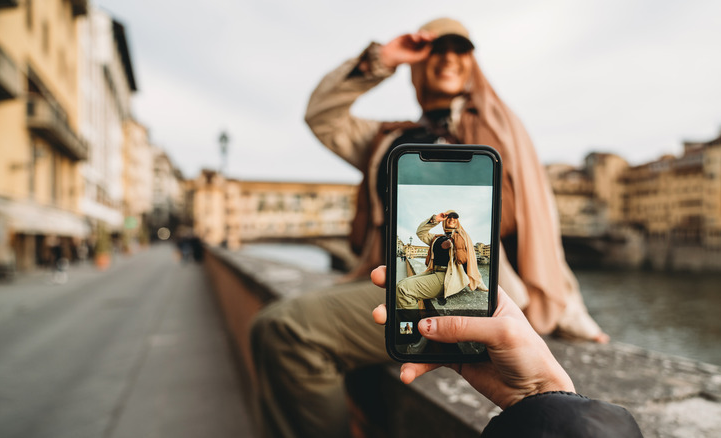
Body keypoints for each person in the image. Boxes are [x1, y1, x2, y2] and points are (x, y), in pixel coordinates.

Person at [251, 17, 608, 438]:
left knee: (285, 329)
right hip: (392, 276)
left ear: (474, 64)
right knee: (302, 323)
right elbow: (322, 117)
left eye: (460, 50)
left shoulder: (497, 126)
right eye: (436, 50)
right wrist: (383, 59)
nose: (448, 59)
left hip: (470, 289)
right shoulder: (389, 138)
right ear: (420, 65)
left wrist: (568, 307)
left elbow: (538, 216)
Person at [372, 266, 643, 438]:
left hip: (451, 281)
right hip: (548, 408)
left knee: (402, 290)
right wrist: (541, 392)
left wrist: (543, 393)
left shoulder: (458, 240)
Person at [396, 210, 485, 310]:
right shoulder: (437, 238)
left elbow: (470, 262)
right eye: (448, 217)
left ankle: (413, 323)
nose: (451, 219)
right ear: (444, 221)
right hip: (434, 272)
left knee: (403, 289)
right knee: (400, 283)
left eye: (454, 217)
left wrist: (480, 284)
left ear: (458, 221)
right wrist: (435, 219)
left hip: (448, 277)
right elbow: (420, 233)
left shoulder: (463, 238)